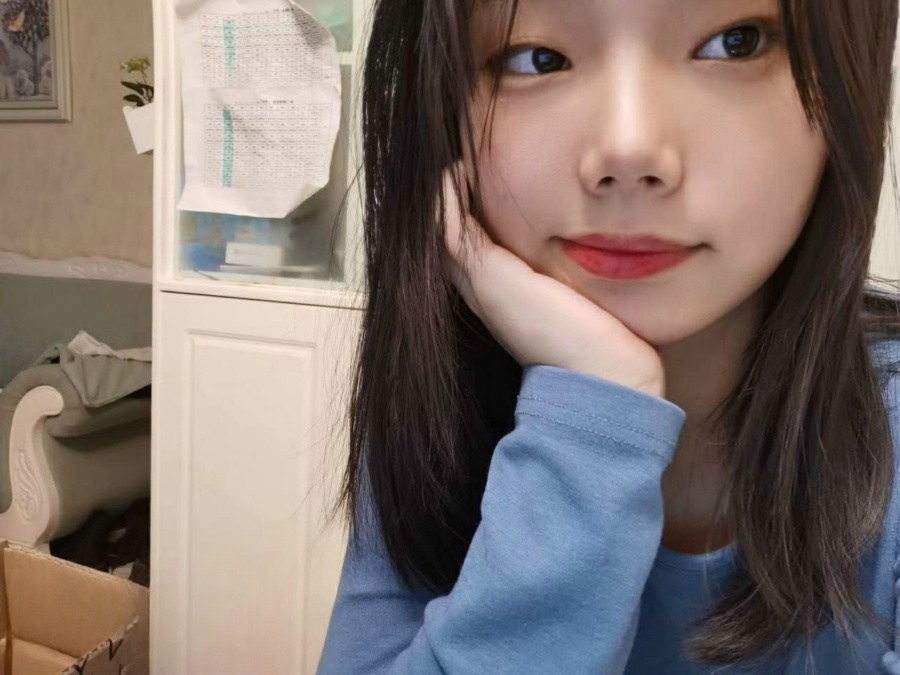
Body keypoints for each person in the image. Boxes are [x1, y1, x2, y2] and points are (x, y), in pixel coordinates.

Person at [317, 0, 900, 672]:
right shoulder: (443, 394)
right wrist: (590, 417)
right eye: (537, 58)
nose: (628, 152)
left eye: (735, 43)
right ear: (443, 111)